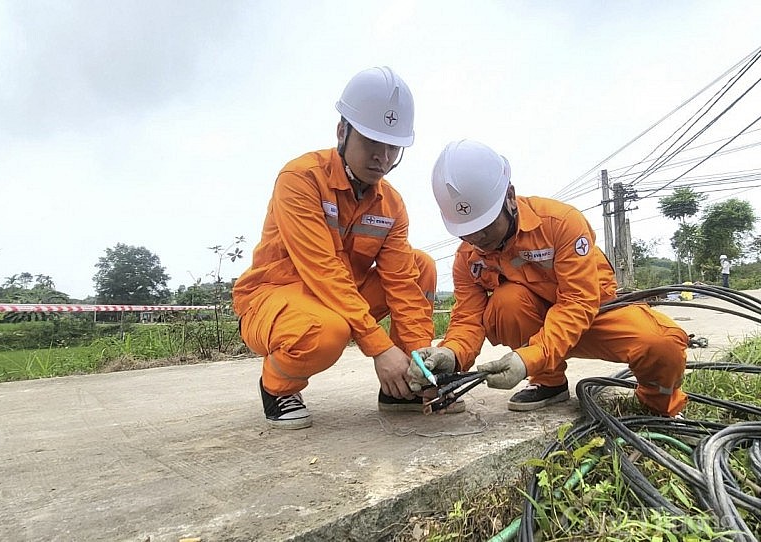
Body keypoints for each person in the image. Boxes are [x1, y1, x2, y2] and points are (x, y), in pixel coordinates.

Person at [408, 139, 689, 417]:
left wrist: (528, 357)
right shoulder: (468, 258)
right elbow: (468, 318)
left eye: (486, 225)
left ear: (509, 197)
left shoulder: (560, 223)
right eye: (466, 231)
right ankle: (549, 382)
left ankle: (658, 408)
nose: (477, 238)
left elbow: (578, 301)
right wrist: (452, 354)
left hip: (595, 313)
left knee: (661, 343)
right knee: (508, 302)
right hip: (541, 325)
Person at [232, 66, 445, 430]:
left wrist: (417, 363)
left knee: (420, 266)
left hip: (338, 297)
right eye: (372, 141)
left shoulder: (391, 205)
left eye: (393, 146)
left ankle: (402, 390)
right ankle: (277, 385)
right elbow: (323, 270)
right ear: (342, 131)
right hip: (276, 298)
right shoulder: (300, 180)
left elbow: (403, 288)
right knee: (325, 331)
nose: (383, 156)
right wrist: (379, 347)